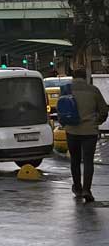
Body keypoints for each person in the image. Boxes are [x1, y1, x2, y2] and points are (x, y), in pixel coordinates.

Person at [65, 68, 108, 203]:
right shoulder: (93, 90)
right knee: (88, 161)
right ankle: (86, 190)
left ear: (73, 77)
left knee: (75, 160)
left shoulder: (66, 89)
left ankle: (77, 188)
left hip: (71, 130)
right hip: (89, 131)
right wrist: (97, 122)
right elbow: (104, 110)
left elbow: (62, 109)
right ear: (86, 77)